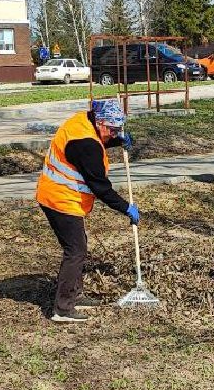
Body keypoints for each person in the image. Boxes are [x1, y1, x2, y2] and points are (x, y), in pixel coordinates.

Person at [36, 99, 138, 322]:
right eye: (112, 129)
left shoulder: (85, 120)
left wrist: (117, 140)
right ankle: (62, 309)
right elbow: (100, 186)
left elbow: (92, 143)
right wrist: (125, 208)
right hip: (60, 198)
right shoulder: (86, 144)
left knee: (78, 246)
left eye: (118, 129)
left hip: (59, 194)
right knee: (76, 250)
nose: (114, 133)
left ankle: (74, 295)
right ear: (99, 122)